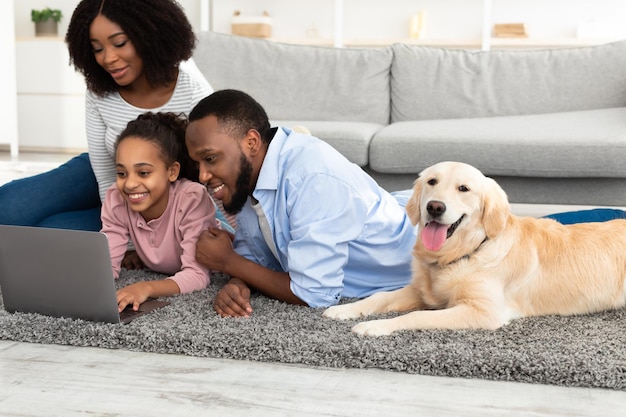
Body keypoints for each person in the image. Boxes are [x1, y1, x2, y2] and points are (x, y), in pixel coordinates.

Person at [0, 0, 235, 237]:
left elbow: (215, 174)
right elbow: (103, 173)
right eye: (97, 49)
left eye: (119, 43)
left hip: (158, 194)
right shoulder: (99, 89)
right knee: (8, 206)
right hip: (106, 173)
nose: (108, 58)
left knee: (47, 233)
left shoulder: (194, 93)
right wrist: (114, 218)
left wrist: (130, 235)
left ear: (149, 34)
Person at [184, 89, 419, 317]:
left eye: (210, 158)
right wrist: (238, 283)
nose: (203, 176)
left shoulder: (312, 179)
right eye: (198, 164)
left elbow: (315, 294)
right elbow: (256, 255)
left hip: (417, 245)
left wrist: (228, 262)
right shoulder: (246, 177)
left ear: (252, 142)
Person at [102, 112, 218, 312]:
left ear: (172, 172)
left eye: (143, 173)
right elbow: (105, 264)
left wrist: (146, 287)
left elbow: (198, 275)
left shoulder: (192, 198)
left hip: (218, 243)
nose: (129, 184)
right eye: (121, 173)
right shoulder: (116, 197)